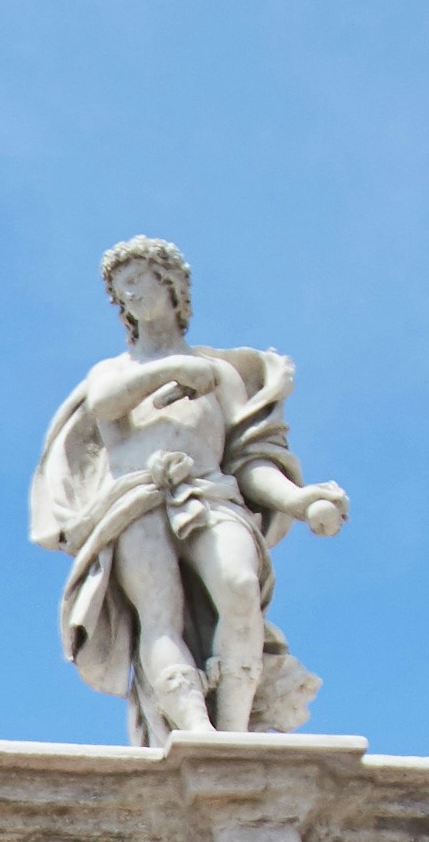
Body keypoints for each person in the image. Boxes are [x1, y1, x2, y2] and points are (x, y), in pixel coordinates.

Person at [27, 236, 345, 750]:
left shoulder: (221, 375)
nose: (129, 296)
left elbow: (249, 460)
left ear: (170, 285)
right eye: (119, 290)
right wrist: (173, 370)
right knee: (159, 613)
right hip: (137, 499)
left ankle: (234, 729)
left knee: (240, 587)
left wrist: (299, 501)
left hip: (212, 493)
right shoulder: (114, 372)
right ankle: (195, 729)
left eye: (138, 281)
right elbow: (106, 402)